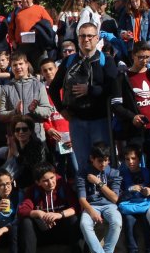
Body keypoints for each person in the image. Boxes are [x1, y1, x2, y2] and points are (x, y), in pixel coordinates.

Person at [52, 22, 121, 176]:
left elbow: (113, 88)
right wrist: (61, 109)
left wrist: (90, 90)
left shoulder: (106, 60)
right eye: (82, 36)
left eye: (90, 36)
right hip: (77, 121)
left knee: (103, 160)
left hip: (100, 121)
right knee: (82, 163)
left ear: (97, 38)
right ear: (78, 39)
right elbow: (54, 87)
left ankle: (106, 194)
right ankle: (86, 197)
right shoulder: (69, 61)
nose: (86, 39)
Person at [77, 144, 122, 253]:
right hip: (91, 205)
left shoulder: (113, 172)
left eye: (106, 160)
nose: (103, 164)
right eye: (100, 161)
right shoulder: (83, 172)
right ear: (92, 159)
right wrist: (92, 212)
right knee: (84, 224)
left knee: (117, 222)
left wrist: (98, 182)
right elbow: (82, 199)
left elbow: (114, 198)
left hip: (109, 205)